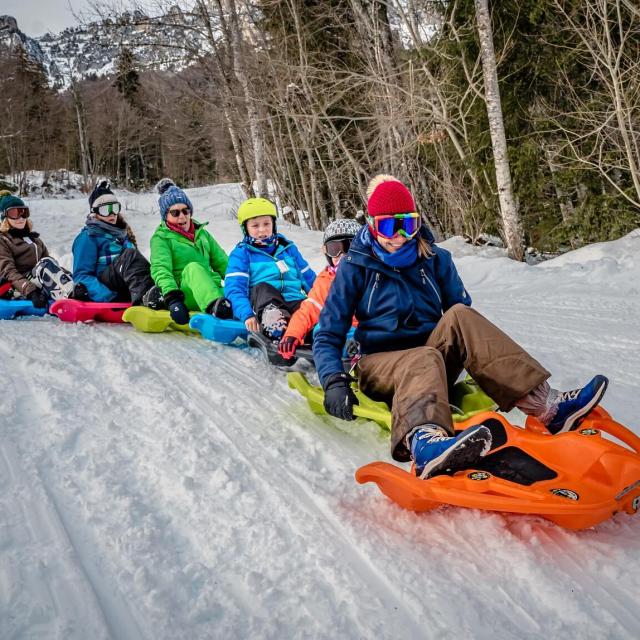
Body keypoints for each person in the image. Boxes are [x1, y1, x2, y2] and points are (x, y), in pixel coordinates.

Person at [313, 175, 608, 479]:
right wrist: (333, 380)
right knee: (423, 357)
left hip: (431, 362)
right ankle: (426, 442)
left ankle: (547, 406)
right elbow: (328, 333)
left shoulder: (436, 258)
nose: (399, 236)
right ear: (373, 226)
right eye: (389, 226)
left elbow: (462, 324)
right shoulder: (354, 266)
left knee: (460, 315)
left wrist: (482, 363)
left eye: (408, 225)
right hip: (379, 366)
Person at [224, 197, 316, 340]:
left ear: (273, 224)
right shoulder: (242, 254)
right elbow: (234, 288)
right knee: (263, 288)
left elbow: (310, 280)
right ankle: (276, 325)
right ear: (245, 229)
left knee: (309, 310)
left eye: (266, 223)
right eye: (255, 226)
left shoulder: (288, 249)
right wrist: (246, 314)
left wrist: (326, 304)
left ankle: (317, 333)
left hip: (294, 299)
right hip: (265, 304)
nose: (262, 230)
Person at [150, 179, 231, 326]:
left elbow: (223, 262)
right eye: (175, 212)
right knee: (193, 268)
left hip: (213, 289)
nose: (182, 216)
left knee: (240, 294)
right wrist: (173, 299)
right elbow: (161, 269)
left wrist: (242, 285)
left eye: (185, 210)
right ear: (165, 216)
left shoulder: (203, 235)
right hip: (186, 293)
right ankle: (216, 308)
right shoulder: (161, 238)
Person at [278, 217, 361, 360]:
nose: (342, 256)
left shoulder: (373, 275)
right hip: (342, 333)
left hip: (372, 331)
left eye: (350, 248)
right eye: (335, 249)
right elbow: (308, 310)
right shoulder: (325, 282)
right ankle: (350, 351)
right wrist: (292, 334)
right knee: (322, 328)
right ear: (327, 253)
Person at [71, 180, 159, 306]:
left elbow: (137, 269)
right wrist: (110, 298)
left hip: (125, 286)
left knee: (143, 262)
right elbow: (81, 276)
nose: (112, 213)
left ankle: (155, 295)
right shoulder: (88, 237)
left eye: (115, 208)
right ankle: (144, 300)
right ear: (94, 212)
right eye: (106, 209)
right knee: (130, 255)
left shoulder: (123, 234)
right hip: (107, 289)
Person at [0, 191, 74, 307]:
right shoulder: (3, 240)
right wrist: (30, 291)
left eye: (23, 212)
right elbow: (9, 272)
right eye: (14, 213)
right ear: (5, 217)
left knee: (51, 265)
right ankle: (70, 298)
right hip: (18, 286)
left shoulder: (34, 239)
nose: (20, 218)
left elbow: (51, 265)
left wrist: (70, 276)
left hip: (40, 280)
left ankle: (76, 289)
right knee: (44, 265)